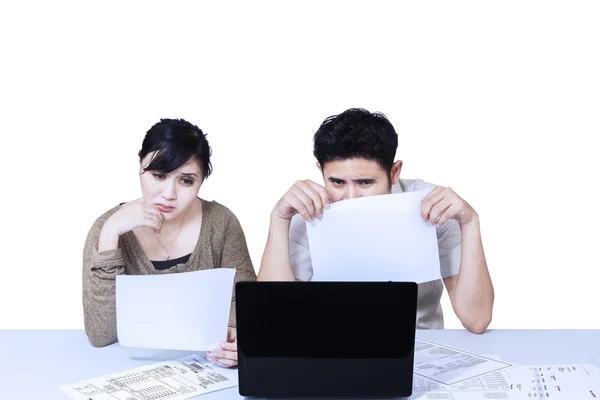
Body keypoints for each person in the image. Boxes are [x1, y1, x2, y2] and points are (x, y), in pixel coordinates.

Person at [257, 108, 494, 334]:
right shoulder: (309, 209)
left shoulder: (435, 206)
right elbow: (274, 318)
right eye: (337, 182)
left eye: (364, 183)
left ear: (394, 172)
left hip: (419, 347)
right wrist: (279, 218)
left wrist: (470, 222)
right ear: (320, 171)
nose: (350, 197)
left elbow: (477, 319)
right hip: (332, 348)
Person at [82, 118, 256, 367]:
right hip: (127, 368)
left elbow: (246, 315)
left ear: (201, 181)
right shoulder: (108, 227)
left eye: (186, 180)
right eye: (159, 175)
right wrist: (110, 234)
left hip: (208, 369)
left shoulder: (221, 223)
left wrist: (234, 344)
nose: (169, 194)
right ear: (140, 167)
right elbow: (101, 334)